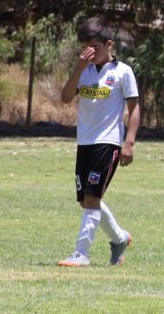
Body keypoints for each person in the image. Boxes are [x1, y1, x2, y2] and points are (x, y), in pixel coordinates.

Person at [57, 16, 140, 267]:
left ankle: (81, 254)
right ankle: (119, 238)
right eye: (85, 47)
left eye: (95, 46)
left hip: (108, 142)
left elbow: (134, 108)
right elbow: (65, 97)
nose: (89, 52)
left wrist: (129, 142)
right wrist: (78, 69)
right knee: (86, 200)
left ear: (110, 44)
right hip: (85, 142)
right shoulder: (84, 71)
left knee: (92, 198)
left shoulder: (123, 72)